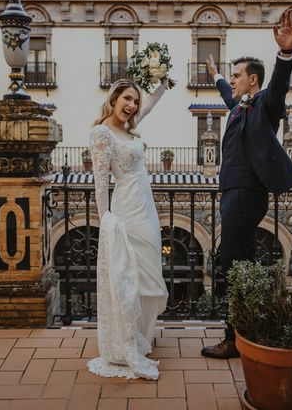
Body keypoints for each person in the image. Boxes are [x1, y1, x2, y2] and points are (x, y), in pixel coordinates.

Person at [201, 10, 292, 359]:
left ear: (253, 80)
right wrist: (216, 78)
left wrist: (286, 54)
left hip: (245, 195)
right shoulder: (240, 105)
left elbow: (278, 88)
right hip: (235, 193)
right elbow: (230, 101)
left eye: (235, 76)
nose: (232, 81)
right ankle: (250, 330)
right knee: (241, 261)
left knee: (231, 263)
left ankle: (234, 337)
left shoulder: (264, 105)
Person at [87, 78, 169, 380]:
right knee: (130, 274)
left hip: (145, 208)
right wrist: (105, 218)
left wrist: (163, 83)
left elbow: (149, 105)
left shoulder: (129, 128)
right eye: (127, 99)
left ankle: (141, 335)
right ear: (114, 99)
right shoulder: (102, 133)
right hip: (126, 210)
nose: (132, 105)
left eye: (135, 100)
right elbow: (99, 180)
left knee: (150, 270)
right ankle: (127, 339)